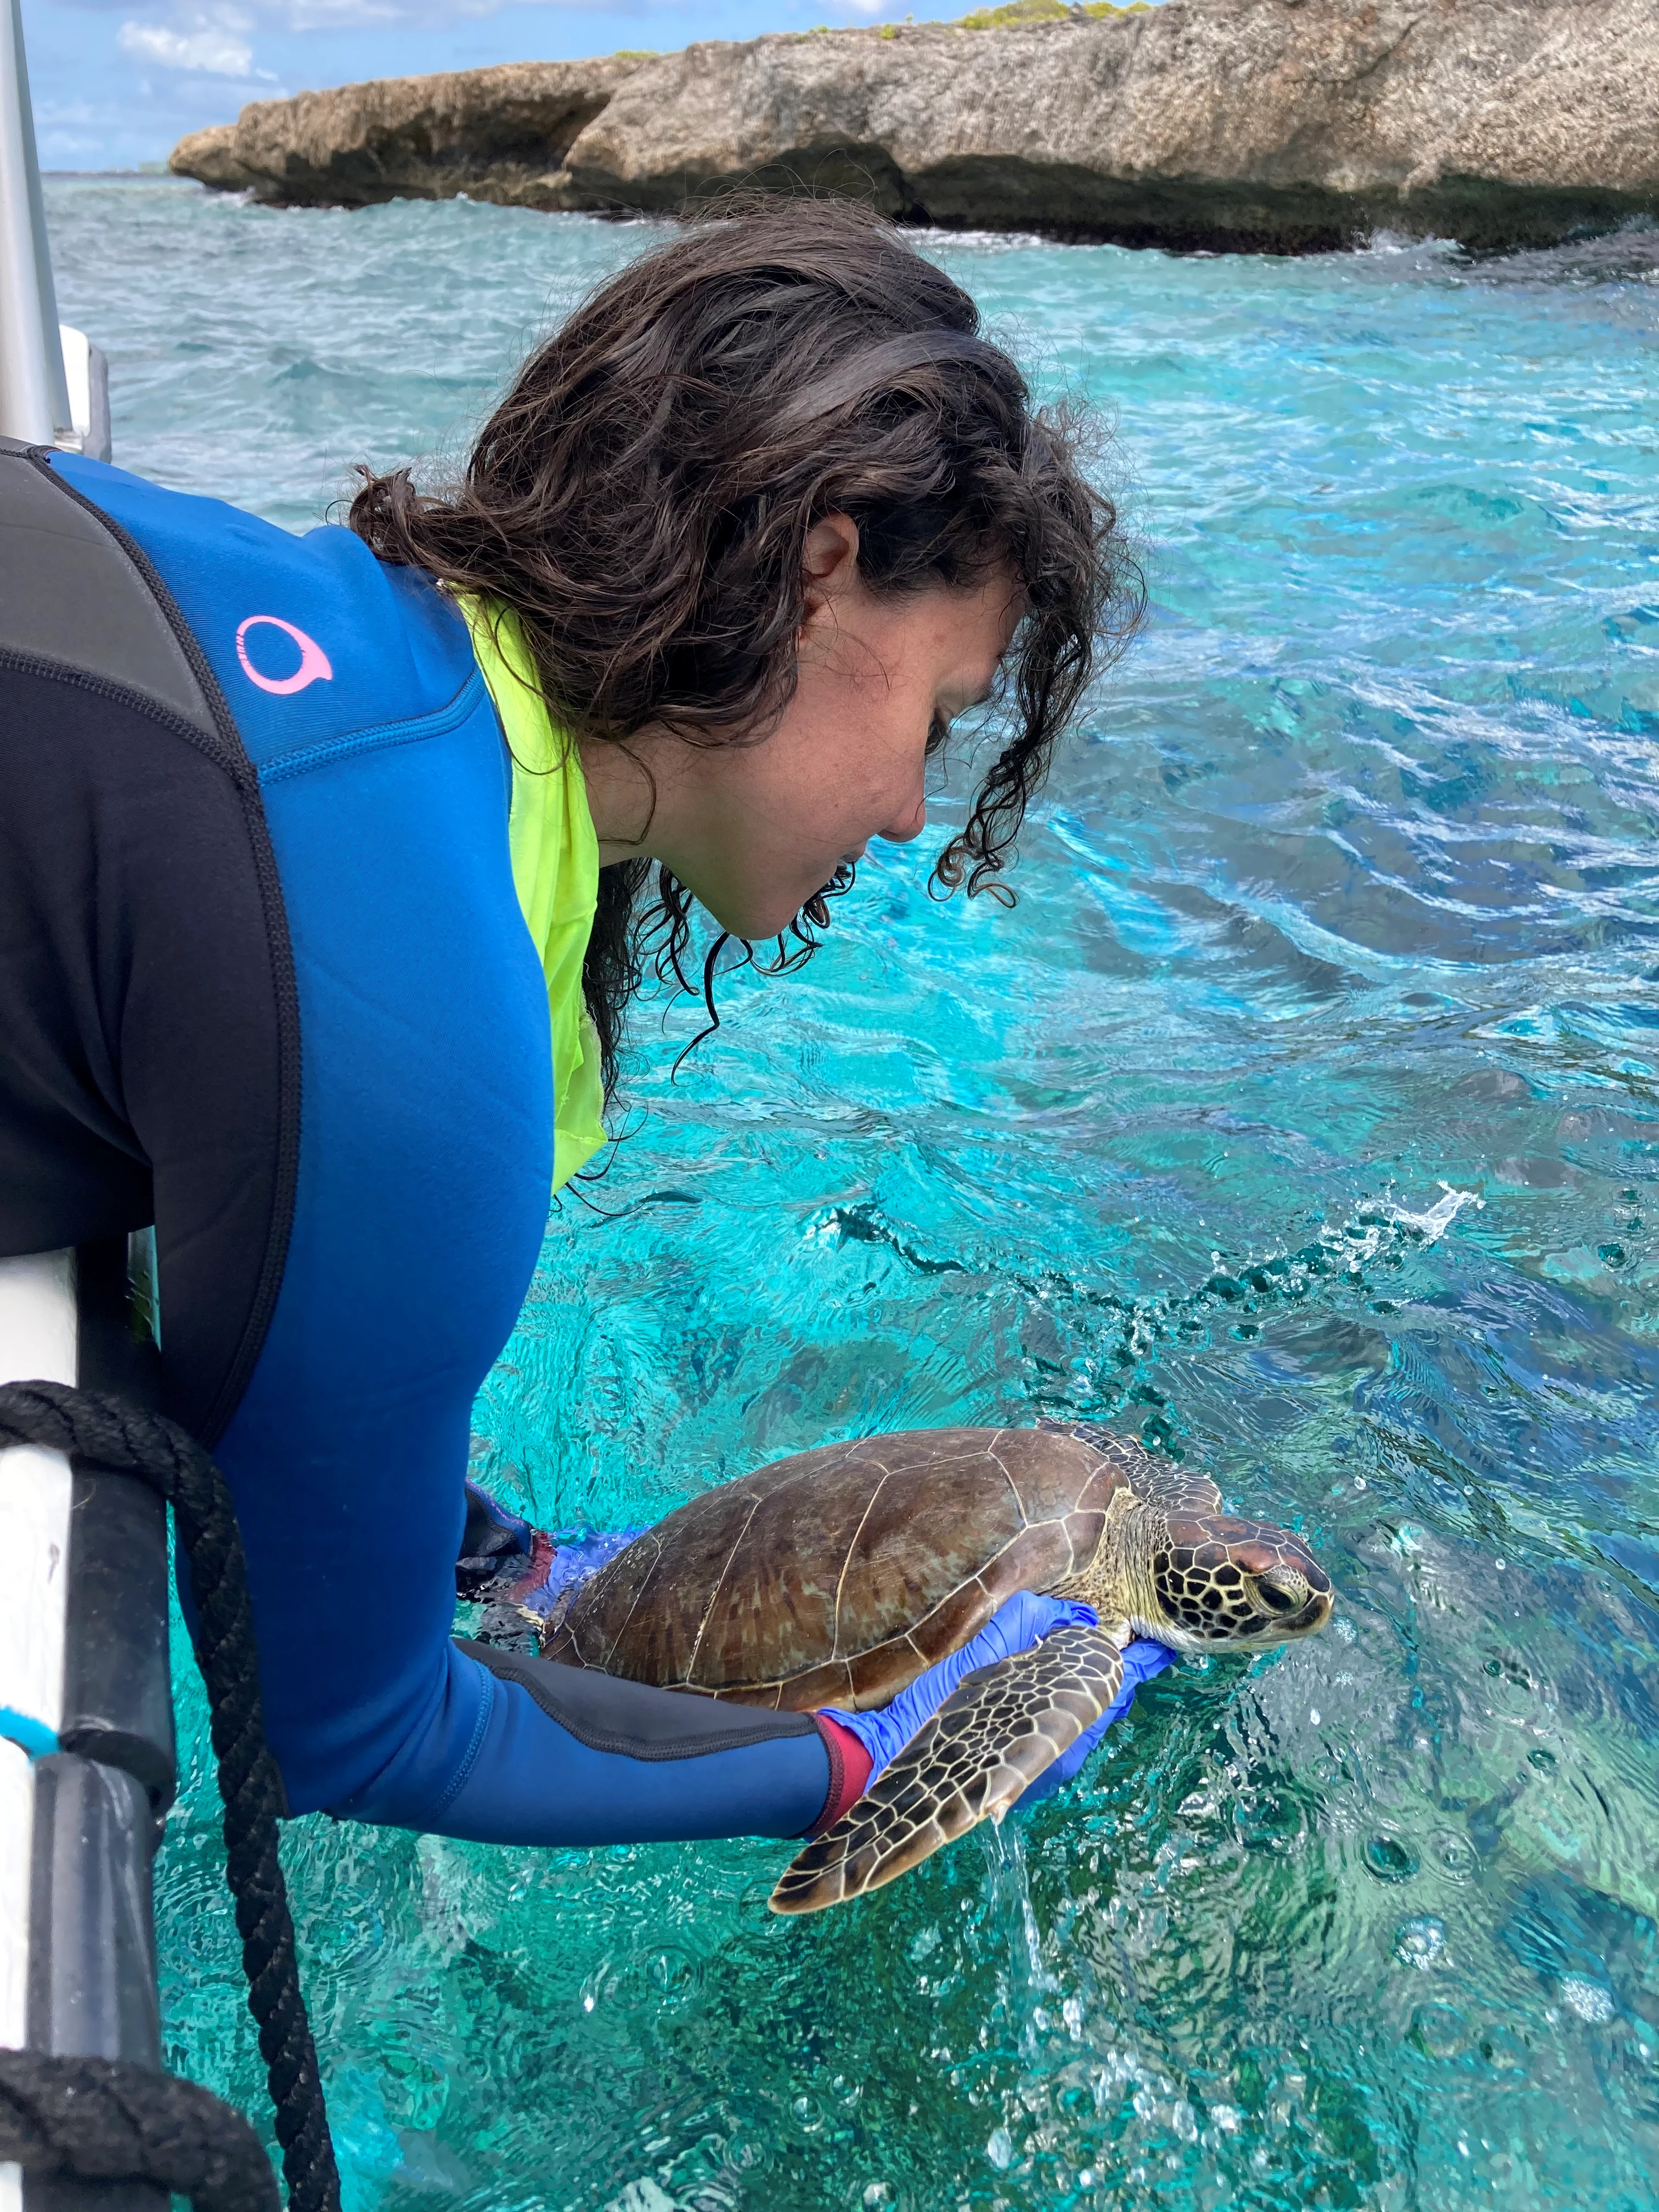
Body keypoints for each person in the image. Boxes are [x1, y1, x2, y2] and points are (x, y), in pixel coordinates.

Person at [0, 199, 1159, 1852]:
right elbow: (363, 1733)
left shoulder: (375, 682)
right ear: (820, 573)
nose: (913, 812)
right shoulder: (415, 1022)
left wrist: (492, 1556)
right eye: (936, 712)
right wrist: (873, 1751)